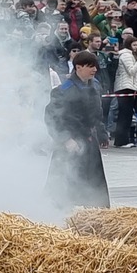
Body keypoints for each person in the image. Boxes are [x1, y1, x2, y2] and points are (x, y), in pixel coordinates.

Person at [44, 50, 110, 209]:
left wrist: (102, 134)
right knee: (66, 182)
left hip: (89, 140)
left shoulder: (95, 85)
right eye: (90, 66)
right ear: (78, 67)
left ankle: (96, 212)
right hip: (71, 142)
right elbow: (52, 117)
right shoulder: (63, 90)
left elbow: (97, 113)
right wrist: (65, 139)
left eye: (95, 66)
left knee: (94, 182)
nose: (94, 69)